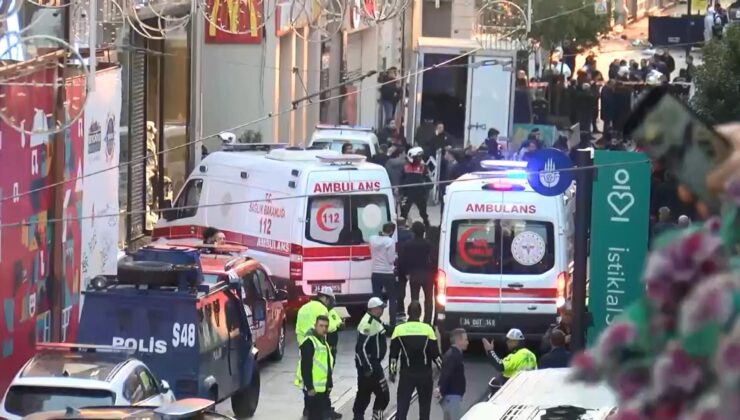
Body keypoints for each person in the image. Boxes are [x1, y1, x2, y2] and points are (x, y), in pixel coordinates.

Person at [390, 302, 441, 420]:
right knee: (424, 409)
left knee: (402, 408)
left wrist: (392, 372)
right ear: (420, 313)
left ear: (407, 313)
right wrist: (443, 369)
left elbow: (393, 356)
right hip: (425, 375)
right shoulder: (428, 329)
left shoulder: (399, 330)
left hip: (407, 375)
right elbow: (435, 355)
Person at [353, 297, 391, 420]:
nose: (382, 310)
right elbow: (360, 348)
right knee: (383, 395)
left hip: (370, 365)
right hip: (371, 366)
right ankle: (374, 417)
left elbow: (387, 329)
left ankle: (358, 417)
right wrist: (368, 367)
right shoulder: (367, 324)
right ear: (373, 309)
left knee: (364, 394)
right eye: (380, 308)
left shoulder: (376, 321)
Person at [295, 315, 333, 420]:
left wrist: (329, 383)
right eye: (321, 326)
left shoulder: (323, 342)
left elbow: (327, 365)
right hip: (313, 390)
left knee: (323, 415)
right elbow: (305, 367)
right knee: (315, 416)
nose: (324, 329)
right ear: (315, 326)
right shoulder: (309, 343)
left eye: (326, 326)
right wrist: (310, 387)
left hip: (322, 389)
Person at [398, 222, 434, 324]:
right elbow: (434, 259)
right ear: (424, 232)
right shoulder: (428, 244)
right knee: (428, 300)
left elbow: (403, 260)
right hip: (427, 275)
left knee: (414, 298)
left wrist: (406, 273)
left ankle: (414, 319)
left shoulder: (408, 244)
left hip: (414, 274)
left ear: (413, 231)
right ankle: (427, 322)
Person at [369, 222, 398, 328]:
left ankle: (375, 322)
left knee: (376, 299)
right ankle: (392, 323)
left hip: (375, 272)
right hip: (387, 273)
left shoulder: (372, 239)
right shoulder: (390, 242)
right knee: (392, 299)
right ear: (391, 231)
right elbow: (391, 260)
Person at [436, 328, 469, 420]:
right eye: (465, 339)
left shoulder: (452, 354)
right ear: (458, 340)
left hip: (450, 396)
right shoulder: (453, 355)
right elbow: (446, 373)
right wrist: (440, 388)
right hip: (452, 397)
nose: (468, 342)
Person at [400, 147, 430, 227]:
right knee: (404, 213)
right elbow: (401, 179)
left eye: (420, 157)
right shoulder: (404, 167)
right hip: (408, 193)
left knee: (423, 213)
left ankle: (427, 226)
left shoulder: (423, 167)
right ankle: (401, 229)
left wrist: (425, 189)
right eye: (418, 157)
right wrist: (401, 190)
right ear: (411, 157)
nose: (420, 159)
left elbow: (429, 181)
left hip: (419, 193)